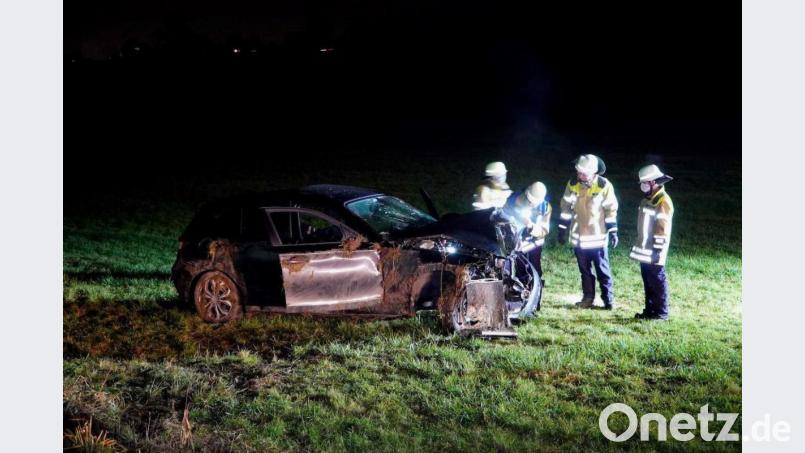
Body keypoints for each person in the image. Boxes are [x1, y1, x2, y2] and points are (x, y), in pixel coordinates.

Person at [557, 154, 619, 309]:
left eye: (583, 173)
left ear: (593, 172)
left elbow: (611, 209)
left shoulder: (604, 185)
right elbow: (565, 208)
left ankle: (608, 300)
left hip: (598, 239)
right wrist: (562, 229)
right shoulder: (572, 184)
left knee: (602, 271)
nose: (579, 176)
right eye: (578, 172)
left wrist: (613, 231)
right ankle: (588, 298)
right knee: (585, 272)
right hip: (579, 239)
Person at [629, 164, 674, 320]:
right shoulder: (648, 199)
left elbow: (662, 228)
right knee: (648, 282)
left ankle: (661, 312)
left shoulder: (662, 201)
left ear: (654, 182)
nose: (643, 185)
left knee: (657, 282)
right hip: (645, 249)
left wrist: (657, 250)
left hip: (655, 250)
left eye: (646, 182)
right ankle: (650, 310)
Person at [500, 182, 551, 279]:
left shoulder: (545, 208)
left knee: (535, 267)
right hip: (516, 242)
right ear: (526, 193)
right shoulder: (513, 200)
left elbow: (544, 231)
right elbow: (503, 219)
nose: (531, 204)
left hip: (534, 243)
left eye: (534, 202)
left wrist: (530, 226)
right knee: (519, 266)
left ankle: (537, 287)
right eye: (529, 200)